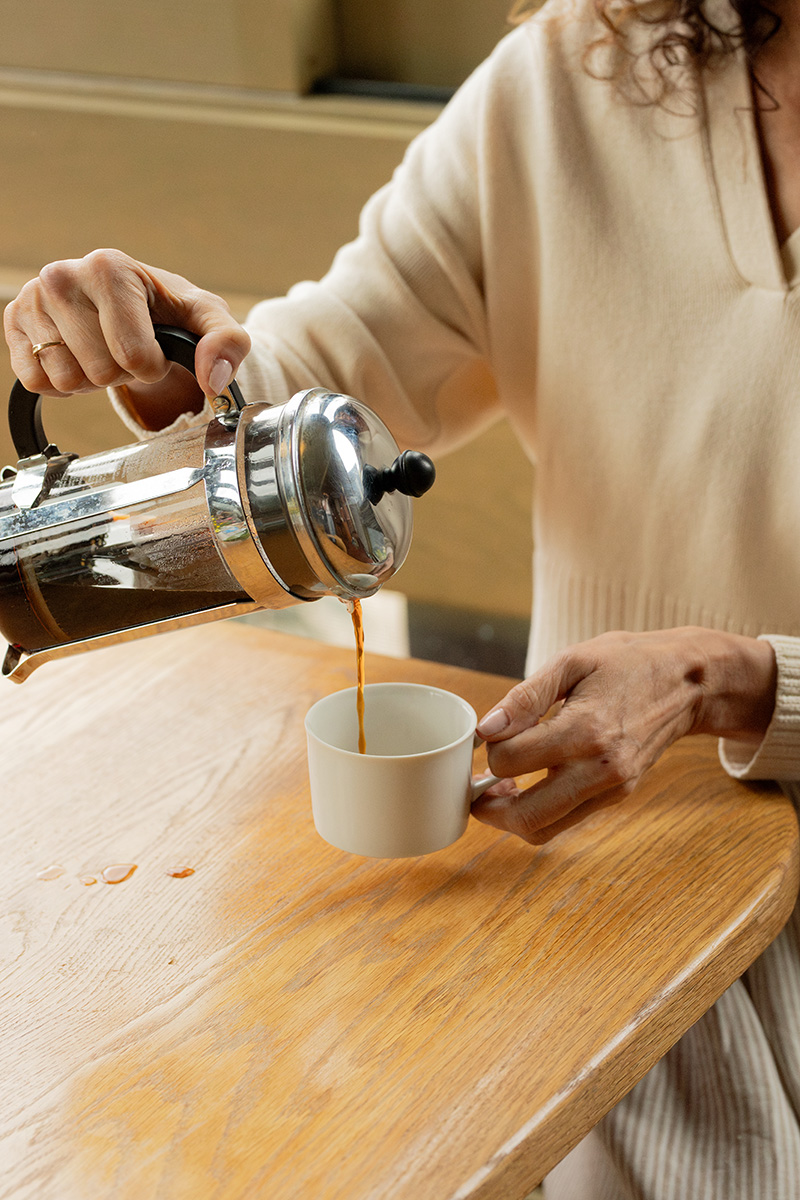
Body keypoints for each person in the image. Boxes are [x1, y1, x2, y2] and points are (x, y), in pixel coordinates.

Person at [4, 0, 800, 1193]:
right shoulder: (576, 72)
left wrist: (725, 678)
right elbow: (342, 363)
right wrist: (180, 363)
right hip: (583, 876)